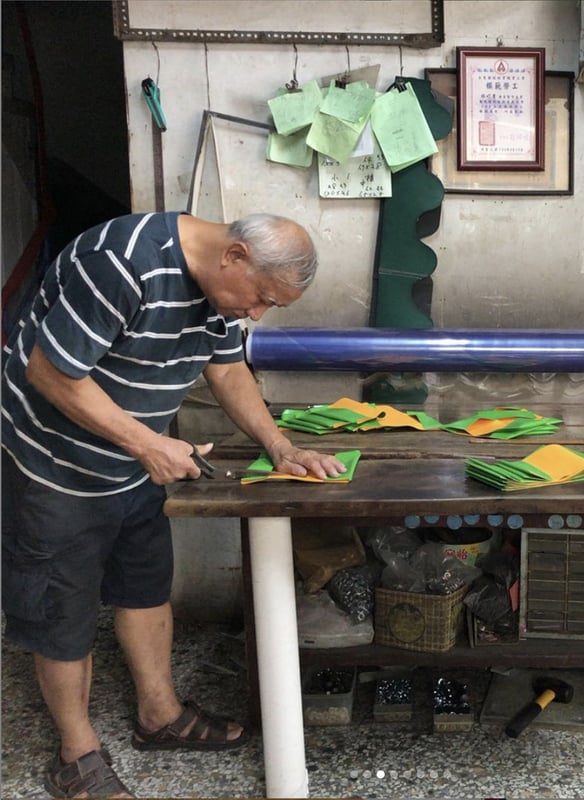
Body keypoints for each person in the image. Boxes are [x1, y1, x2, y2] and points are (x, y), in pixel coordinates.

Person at [1, 210, 347, 798]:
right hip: (54, 467)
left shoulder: (222, 290)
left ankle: (159, 716)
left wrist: (281, 446)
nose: (257, 314)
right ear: (234, 256)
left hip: (137, 458)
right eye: (261, 299)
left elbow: (228, 368)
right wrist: (147, 442)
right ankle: (75, 754)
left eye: (272, 308)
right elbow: (52, 374)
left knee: (144, 585)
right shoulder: (119, 265)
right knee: (62, 610)